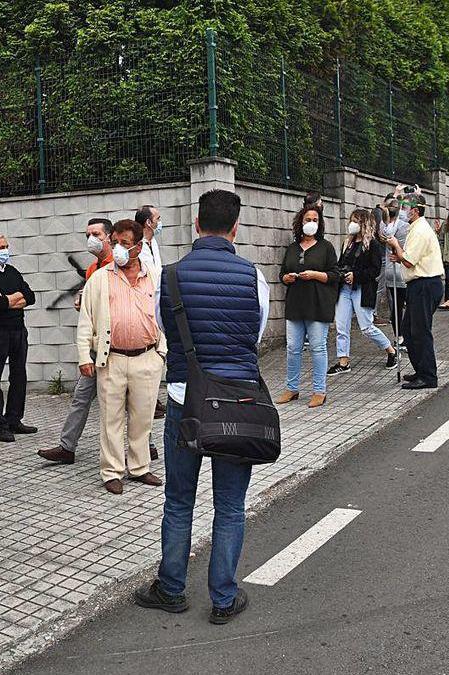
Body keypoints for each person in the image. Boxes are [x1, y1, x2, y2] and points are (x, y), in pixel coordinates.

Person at [134, 188, 268, 625]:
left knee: (178, 501)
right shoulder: (254, 277)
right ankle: (223, 598)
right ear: (235, 228)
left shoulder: (169, 277)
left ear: (195, 225)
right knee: (229, 505)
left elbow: (162, 328)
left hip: (182, 400)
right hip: (237, 403)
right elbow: (256, 336)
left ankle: (171, 589)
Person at [43, 218, 148, 465]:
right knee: (82, 397)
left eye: (97, 234)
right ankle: (67, 447)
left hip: (118, 348)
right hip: (96, 348)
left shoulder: (122, 266)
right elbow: (92, 312)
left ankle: (146, 447)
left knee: (129, 401)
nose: (92, 239)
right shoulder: (93, 270)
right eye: (88, 234)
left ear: (109, 237)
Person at [76, 219, 164, 495]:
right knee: (110, 419)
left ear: (138, 247)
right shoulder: (100, 278)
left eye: (125, 244)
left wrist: (162, 352)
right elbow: (86, 319)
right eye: (115, 242)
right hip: (111, 359)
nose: (118, 249)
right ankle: (112, 471)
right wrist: (84, 356)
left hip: (147, 358)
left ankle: (139, 468)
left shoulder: (153, 276)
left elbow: (166, 315)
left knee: (143, 418)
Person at [276, 202, 339, 408]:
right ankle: (292, 388)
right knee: (293, 347)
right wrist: (286, 278)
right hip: (295, 303)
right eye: (307, 220)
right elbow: (282, 272)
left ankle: (319, 391)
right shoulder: (292, 248)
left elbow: (334, 275)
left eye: (314, 220)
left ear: (319, 224)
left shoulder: (326, 247)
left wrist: (315, 275)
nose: (310, 223)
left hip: (318, 304)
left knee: (317, 347)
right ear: (300, 222)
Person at [0, 232, 37, 443]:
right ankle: (0, 425)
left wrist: (10, 299)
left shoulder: (12, 271)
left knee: (19, 375)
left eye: (6, 246)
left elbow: (30, 296)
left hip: (18, 330)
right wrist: (11, 300)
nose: (5, 251)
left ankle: (14, 419)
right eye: (1, 247)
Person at [383, 195, 444, 390]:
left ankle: (428, 376)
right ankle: (420, 369)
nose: (402, 210)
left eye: (405, 207)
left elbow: (409, 260)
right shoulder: (415, 228)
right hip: (418, 285)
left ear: (415, 210)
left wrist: (396, 247)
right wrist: (398, 254)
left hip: (425, 284)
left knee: (420, 331)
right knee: (409, 330)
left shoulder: (420, 231)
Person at [330, 208, 398, 373]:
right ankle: (343, 361)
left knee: (366, 327)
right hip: (345, 289)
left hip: (362, 289)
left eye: (356, 221)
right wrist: (341, 274)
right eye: (351, 220)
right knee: (341, 325)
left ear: (364, 223)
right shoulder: (348, 243)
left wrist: (356, 276)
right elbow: (340, 264)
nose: (352, 224)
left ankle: (391, 351)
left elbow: (374, 270)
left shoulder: (372, 244)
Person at [135, 205, 168, 420]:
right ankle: (146, 400)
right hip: (142, 306)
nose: (159, 222)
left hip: (156, 304)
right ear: (148, 222)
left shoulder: (152, 243)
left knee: (158, 354)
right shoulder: (137, 246)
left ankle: (152, 397)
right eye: (157, 218)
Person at [381, 199, 409, 347]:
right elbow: (386, 236)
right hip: (396, 269)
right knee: (400, 306)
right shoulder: (387, 225)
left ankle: (402, 335)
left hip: (398, 269)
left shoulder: (400, 226)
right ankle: (401, 336)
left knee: (401, 305)